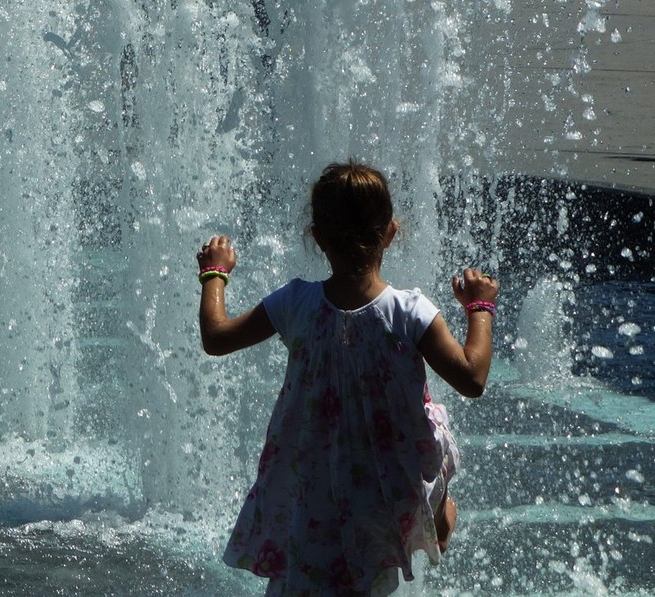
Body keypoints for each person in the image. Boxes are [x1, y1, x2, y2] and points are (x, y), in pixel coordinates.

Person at [197, 161, 498, 596]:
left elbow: (217, 336)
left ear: (316, 237)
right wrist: (480, 309)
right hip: (387, 484)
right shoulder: (410, 311)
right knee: (431, 435)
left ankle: (436, 512)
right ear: (391, 233)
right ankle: (435, 511)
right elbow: (472, 377)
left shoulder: (295, 302)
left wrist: (215, 275)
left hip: (314, 483)